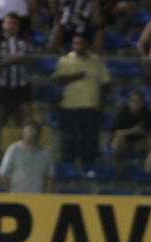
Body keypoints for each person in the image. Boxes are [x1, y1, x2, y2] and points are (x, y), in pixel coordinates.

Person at [52, 33, 110, 166]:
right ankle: (67, 167)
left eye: (81, 43)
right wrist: (76, 76)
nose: (78, 46)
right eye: (75, 43)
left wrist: (102, 102)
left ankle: (89, 167)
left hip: (91, 106)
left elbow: (106, 83)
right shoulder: (65, 60)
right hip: (70, 106)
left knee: (90, 140)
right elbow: (57, 79)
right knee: (68, 140)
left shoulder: (97, 61)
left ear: (88, 45)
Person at [0, 12, 35, 153]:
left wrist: (18, 60)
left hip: (21, 83)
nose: (11, 26)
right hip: (0, 83)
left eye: (14, 23)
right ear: (3, 24)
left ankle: (28, 146)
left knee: (26, 114)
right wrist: (8, 61)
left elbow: (31, 59)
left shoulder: (25, 39)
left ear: (18, 26)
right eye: (8, 22)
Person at [0, 120, 55, 193]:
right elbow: (3, 173)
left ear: (39, 133)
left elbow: (50, 176)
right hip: (17, 196)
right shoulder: (14, 149)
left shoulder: (46, 153)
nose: (32, 133)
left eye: (34, 131)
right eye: (29, 131)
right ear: (23, 133)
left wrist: (48, 195)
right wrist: (9, 191)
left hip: (39, 197)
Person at [110, 90, 151, 173]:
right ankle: (118, 169)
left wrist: (142, 132)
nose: (135, 103)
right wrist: (133, 131)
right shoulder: (123, 112)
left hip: (140, 143)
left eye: (138, 101)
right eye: (132, 101)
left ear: (142, 102)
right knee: (117, 140)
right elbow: (116, 132)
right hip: (126, 142)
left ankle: (148, 169)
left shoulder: (146, 113)